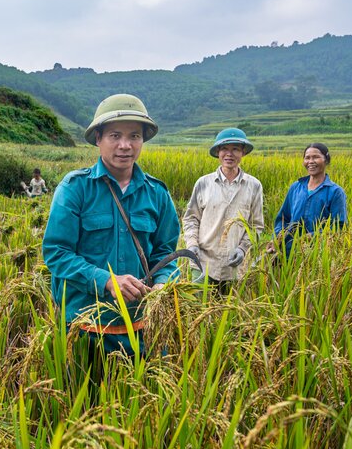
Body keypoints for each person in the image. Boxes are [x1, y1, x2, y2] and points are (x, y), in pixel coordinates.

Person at [42, 94, 180, 357]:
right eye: (115, 136)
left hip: (141, 329)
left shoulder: (157, 194)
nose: (125, 145)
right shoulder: (75, 189)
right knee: (83, 397)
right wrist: (106, 281)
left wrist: (163, 284)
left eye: (134, 136)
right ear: (98, 138)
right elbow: (56, 253)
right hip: (84, 330)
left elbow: (166, 254)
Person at [182, 128, 264, 294]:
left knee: (230, 315)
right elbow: (191, 218)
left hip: (235, 267)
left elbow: (256, 225)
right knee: (200, 312)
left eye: (235, 149)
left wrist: (242, 249)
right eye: (225, 149)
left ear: (243, 153)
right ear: (218, 152)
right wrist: (192, 245)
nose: (229, 154)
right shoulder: (203, 183)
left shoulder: (254, 186)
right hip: (203, 262)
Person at [271, 143, 348, 255]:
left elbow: (338, 227)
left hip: (318, 255)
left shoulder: (335, 192)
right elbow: (283, 218)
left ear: (326, 160)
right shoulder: (296, 187)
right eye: (307, 158)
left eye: (316, 157)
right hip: (288, 252)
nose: (311, 161)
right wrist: (277, 237)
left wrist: (311, 236)